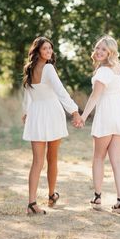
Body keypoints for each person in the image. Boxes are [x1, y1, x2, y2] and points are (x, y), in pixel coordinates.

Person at [22, 36, 81, 215]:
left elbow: (27, 94)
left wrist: (26, 112)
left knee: (38, 161)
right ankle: (50, 195)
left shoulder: (29, 69)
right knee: (50, 158)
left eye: (50, 49)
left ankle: (34, 202)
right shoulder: (48, 68)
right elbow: (60, 91)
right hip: (51, 113)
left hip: (36, 114)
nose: (49, 52)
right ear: (37, 51)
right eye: (45, 49)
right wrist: (74, 111)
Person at [74, 35, 120, 214]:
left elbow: (95, 96)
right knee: (116, 160)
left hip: (107, 114)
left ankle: (97, 198)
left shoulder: (103, 71)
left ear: (110, 52)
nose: (99, 52)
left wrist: (83, 116)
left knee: (99, 157)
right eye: (98, 48)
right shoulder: (118, 68)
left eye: (104, 50)